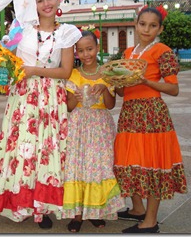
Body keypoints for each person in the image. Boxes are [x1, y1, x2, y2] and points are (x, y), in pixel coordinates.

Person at [0, 0, 82, 228]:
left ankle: (44, 207)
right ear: (34, 4)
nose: (46, 4)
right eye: (40, 0)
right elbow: (8, 60)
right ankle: (22, 203)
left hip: (51, 99)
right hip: (24, 98)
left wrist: (33, 71)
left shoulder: (67, 33)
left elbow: (65, 71)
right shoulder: (22, 30)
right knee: (23, 150)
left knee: (47, 151)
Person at [113, 7, 187, 233]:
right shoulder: (128, 53)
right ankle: (137, 209)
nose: (146, 29)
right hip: (129, 113)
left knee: (153, 163)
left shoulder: (162, 51)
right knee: (129, 160)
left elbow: (173, 89)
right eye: (142, 23)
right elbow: (122, 93)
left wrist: (145, 81)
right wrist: (115, 81)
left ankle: (151, 221)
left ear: (159, 28)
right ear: (136, 24)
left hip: (152, 114)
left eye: (152, 25)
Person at [62, 30, 124, 233]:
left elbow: (110, 105)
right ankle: (78, 215)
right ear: (75, 52)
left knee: (99, 167)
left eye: (89, 49)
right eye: (80, 50)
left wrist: (104, 89)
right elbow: (69, 107)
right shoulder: (73, 74)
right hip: (78, 126)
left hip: (100, 127)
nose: (86, 54)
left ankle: (96, 211)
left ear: (98, 48)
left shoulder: (107, 74)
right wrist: (77, 97)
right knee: (78, 167)